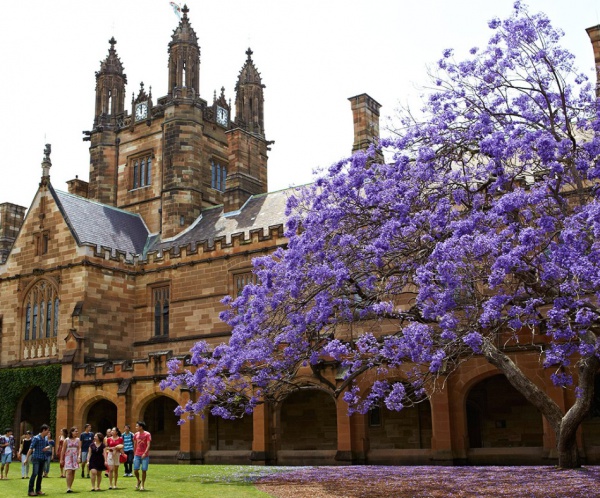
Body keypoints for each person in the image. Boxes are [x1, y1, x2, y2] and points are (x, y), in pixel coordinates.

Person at [26, 423, 51, 497]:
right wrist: (26, 458)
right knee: (34, 474)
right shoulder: (36, 438)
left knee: (40, 475)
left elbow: (48, 445)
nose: (48, 432)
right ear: (43, 430)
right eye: (47, 431)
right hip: (36, 458)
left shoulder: (45, 438)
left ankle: (38, 490)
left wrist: (47, 448)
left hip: (43, 458)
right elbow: (31, 448)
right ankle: (30, 491)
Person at [60, 427, 81, 493]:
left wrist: (79, 457)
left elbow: (79, 449)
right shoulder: (66, 440)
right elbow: (63, 450)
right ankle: (68, 487)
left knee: (73, 472)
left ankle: (70, 486)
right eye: (75, 431)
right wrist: (61, 459)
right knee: (69, 471)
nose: (77, 432)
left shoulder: (78, 440)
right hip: (68, 456)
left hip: (75, 456)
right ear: (71, 432)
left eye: (77, 431)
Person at [133, 421, 151, 492]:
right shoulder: (136, 434)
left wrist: (145, 453)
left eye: (137, 426)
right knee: (135, 470)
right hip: (137, 454)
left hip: (145, 455)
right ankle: (138, 480)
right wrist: (134, 453)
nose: (136, 427)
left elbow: (148, 444)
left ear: (141, 427)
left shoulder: (147, 434)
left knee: (144, 470)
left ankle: (142, 485)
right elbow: (135, 444)